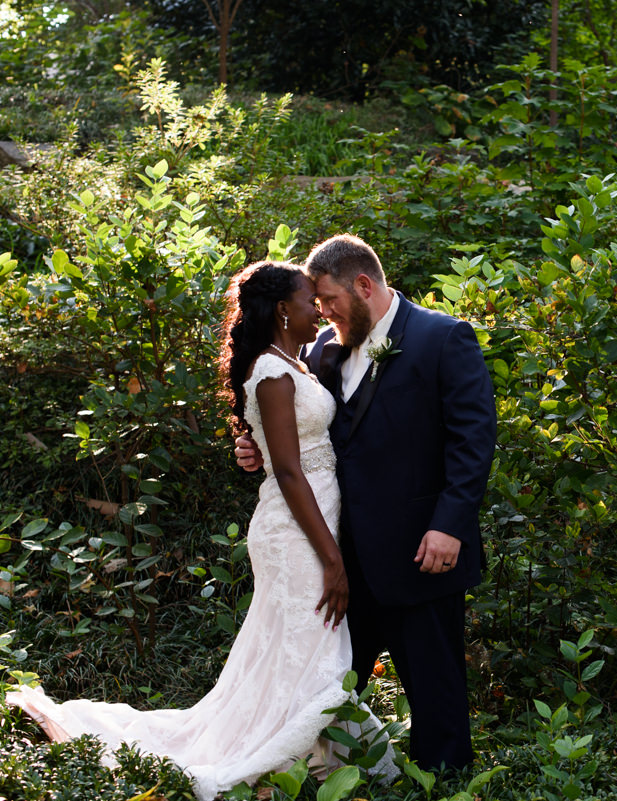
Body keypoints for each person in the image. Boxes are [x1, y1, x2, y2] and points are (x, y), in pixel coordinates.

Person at [8, 261, 395, 800]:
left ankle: (314, 760)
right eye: (311, 301)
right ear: (284, 309)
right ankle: (280, 765)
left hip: (314, 523)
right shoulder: (273, 372)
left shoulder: (298, 362)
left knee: (296, 650)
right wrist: (332, 561)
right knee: (315, 650)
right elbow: (286, 469)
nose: (319, 310)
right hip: (296, 536)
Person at [235, 233, 496, 771]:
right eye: (316, 303)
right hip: (342, 553)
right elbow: (301, 434)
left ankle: (444, 780)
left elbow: (473, 441)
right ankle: (325, 772)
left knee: (434, 684)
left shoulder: (443, 338)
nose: (323, 313)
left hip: (422, 547)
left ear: (363, 284)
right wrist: (254, 447)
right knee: (327, 679)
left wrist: (449, 525)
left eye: (328, 300)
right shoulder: (323, 349)